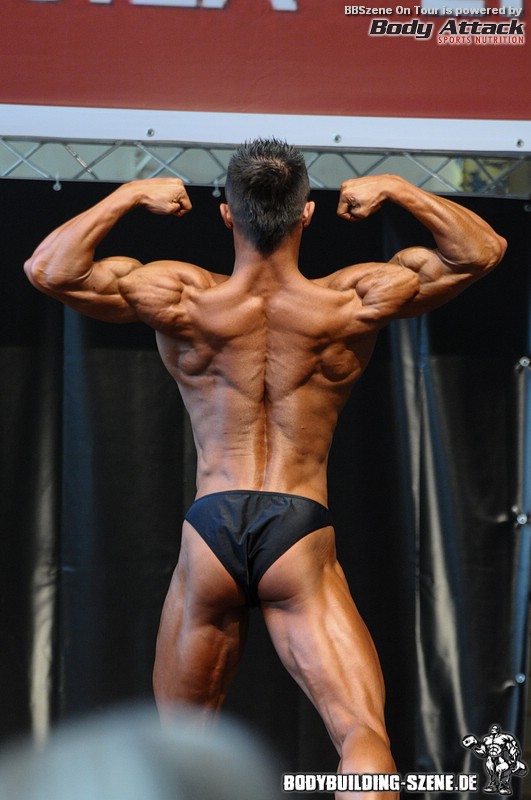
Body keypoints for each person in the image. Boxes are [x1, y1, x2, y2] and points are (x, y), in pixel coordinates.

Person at [24, 139, 506, 799]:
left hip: (210, 529)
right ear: (307, 213)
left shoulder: (181, 296)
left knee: (177, 749)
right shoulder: (351, 299)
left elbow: (48, 270)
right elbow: (481, 251)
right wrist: (398, 188)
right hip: (297, 526)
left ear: (226, 214)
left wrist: (129, 195)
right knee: (360, 733)